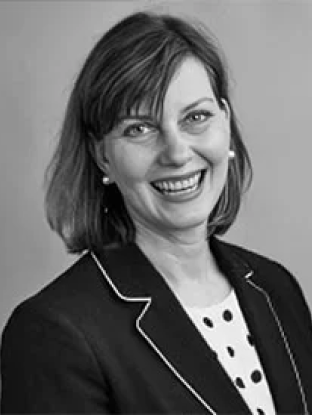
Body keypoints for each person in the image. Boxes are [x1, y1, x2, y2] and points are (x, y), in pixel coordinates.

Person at [1, 10, 312, 415]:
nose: (178, 152)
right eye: (139, 129)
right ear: (103, 156)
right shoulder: (54, 333)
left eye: (196, 117)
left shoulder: (276, 288)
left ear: (226, 123)